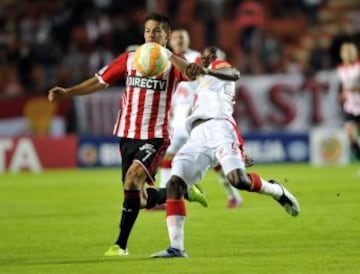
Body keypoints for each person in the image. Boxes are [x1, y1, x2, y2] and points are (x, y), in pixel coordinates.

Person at [47, 12, 206, 257]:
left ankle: (120, 245)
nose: (150, 35)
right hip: (127, 134)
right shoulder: (131, 59)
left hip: (155, 136)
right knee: (138, 198)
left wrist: (171, 56)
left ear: (166, 36)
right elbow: (99, 81)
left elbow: (195, 74)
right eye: (147, 30)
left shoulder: (173, 63)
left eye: (156, 31)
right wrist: (67, 92)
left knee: (133, 179)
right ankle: (181, 190)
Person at [150, 46, 300, 258]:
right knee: (175, 183)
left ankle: (276, 190)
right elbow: (185, 70)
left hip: (220, 127)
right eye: (205, 54)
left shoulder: (219, 69)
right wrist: (166, 54)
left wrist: (208, 69)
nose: (207, 57)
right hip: (197, 134)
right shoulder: (198, 80)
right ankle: (176, 247)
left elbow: (235, 74)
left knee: (238, 180)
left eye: (212, 54)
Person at [158, 30, 243, 209]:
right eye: (175, 38)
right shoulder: (169, 61)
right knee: (171, 156)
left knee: (208, 157)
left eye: (182, 37)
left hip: (197, 116)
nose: (179, 41)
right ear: (170, 41)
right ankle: (166, 196)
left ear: (189, 40)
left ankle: (232, 194)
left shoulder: (198, 58)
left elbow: (208, 79)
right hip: (178, 118)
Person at [336, 42, 360, 161]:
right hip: (350, 107)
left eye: (350, 52)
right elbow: (344, 86)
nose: (348, 54)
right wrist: (343, 94)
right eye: (346, 52)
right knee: (349, 134)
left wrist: (355, 89)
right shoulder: (340, 69)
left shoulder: (358, 67)